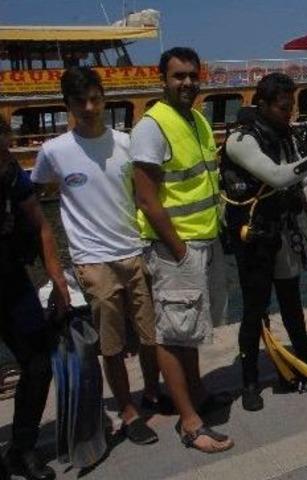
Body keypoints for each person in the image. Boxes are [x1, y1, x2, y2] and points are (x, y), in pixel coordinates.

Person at [30, 67, 174, 446]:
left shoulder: (126, 143)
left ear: (105, 98)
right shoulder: (54, 152)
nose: (90, 107)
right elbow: (34, 195)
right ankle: (127, 410)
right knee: (110, 344)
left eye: (96, 98)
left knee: (148, 336)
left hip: (134, 250)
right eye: (81, 101)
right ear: (68, 105)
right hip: (92, 261)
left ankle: (152, 393)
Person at [131, 47, 233, 453]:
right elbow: (146, 199)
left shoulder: (197, 121)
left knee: (188, 330)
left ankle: (198, 393)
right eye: (178, 76)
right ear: (163, 79)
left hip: (203, 239)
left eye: (193, 75)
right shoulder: (153, 126)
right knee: (173, 335)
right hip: (177, 247)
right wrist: (180, 251)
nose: (187, 82)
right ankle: (190, 423)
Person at [221, 73, 307, 411]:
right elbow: (276, 176)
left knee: (292, 302)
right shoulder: (241, 140)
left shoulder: (285, 135)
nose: (288, 113)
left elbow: (300, 182)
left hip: (283, 230)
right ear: (263, 103)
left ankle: (304, 361)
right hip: (254, 237)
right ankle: (249, 381)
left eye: (291, 107)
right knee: (255, 310)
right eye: (282, 107)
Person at [0, 116, 69, 480]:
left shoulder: (11, 173)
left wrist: (58, 283)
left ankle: (22, 449)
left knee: (39, 362)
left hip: (11, 281)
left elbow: (42, 226)